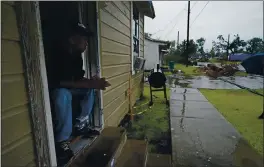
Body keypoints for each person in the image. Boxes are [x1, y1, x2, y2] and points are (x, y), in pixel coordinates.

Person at [47, 23, 111, 164]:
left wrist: (92, 82)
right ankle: (62, 141)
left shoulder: (76, 57)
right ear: (72, 40)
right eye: (83, 39)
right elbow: (56, 82)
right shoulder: (55, 55)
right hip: (54, 91)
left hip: (68, 88)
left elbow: (77, 79)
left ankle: (81, 125)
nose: (86, 43)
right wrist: (86, 83)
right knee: (63, 94)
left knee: (88, 89)